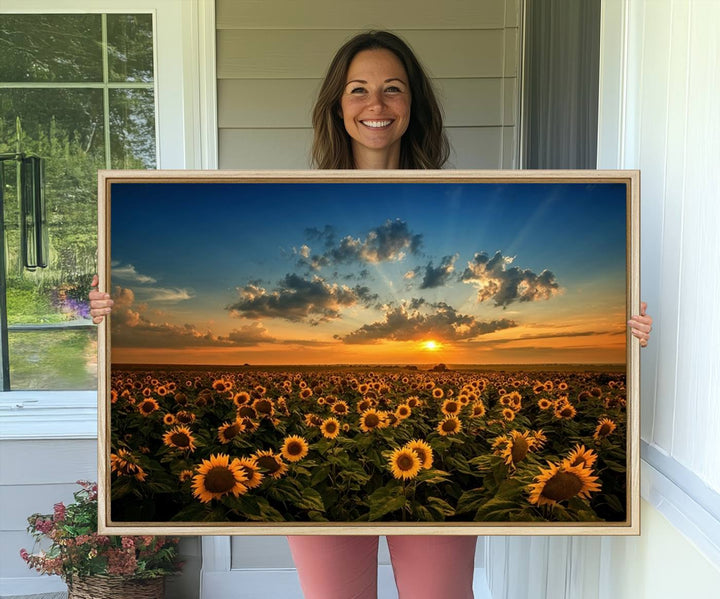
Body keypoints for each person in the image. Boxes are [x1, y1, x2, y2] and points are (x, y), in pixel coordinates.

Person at [89, 30, 653, 599]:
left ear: (413, 105)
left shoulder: (459, 199)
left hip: (421, 458)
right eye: (358, 90)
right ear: (338, 105)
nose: (376, 105)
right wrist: (114, 312)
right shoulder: (295, 201)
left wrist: (625, 335)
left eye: (393, 89)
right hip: (317, 459)